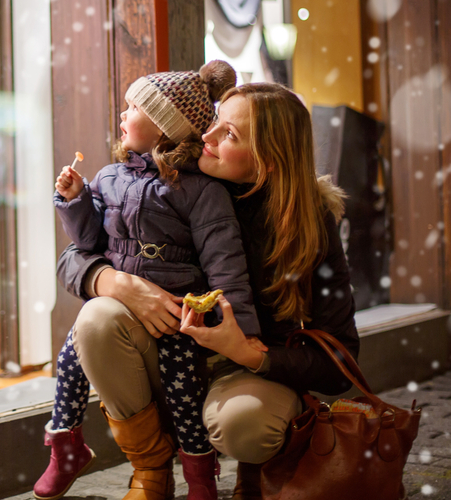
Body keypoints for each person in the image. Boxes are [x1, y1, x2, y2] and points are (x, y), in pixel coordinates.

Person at [57, 81, 359, 500]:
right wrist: (114, 282)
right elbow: (76, 254)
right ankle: (150, 470)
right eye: (215, 121)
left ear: (269, 161)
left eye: (229, 135)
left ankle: (260, 469)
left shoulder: (309, 222)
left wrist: (251, 352)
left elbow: (339, 361)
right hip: (166, 355)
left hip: (243, 371)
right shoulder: (171, 179)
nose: (206, 136)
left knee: (246, 423)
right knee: (96, 319)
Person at [35, 62, 261, 500]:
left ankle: (199, 478)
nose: (122, 116)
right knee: (70, 360)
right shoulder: (108, 177)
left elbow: (224, 262)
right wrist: (74, 199)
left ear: (162, 127)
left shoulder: (199, 190)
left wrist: (243, 333)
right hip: (119, 311)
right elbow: (87, 241)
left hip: (178, 313)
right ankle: (66, 448)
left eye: (133, 107)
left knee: (184, 392)